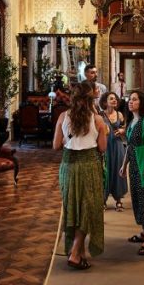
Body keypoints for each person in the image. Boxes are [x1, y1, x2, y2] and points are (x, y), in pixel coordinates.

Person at [53, 82, 108, 271]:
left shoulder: (63, 116)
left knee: (73, 209)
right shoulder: (97, 119)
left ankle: (78, 251)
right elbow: (102, 148)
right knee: (88, 210)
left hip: (68, 167)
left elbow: (56, 145)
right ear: (90, 98)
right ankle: (76, 253)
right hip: (89, 165)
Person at [120, 90, 144, 256]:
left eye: (134, 100)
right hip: (134, 166)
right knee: (137, 199)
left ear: (141, 103)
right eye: (129, 100)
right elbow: (129, 145)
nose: (130, 102)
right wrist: (124, 165)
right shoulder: (131, 121)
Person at [100, 91, 127, 211]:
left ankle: (119, 200)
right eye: (111, 99)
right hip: (106, 145)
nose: (114, 100)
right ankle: (103, 200)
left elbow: (125, 128)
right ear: (105, 102)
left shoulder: (120, 114)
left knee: (118, 171)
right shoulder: (100, 115)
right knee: (105, 172)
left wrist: (122, 131)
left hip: (117, 145)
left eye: (115, 98)